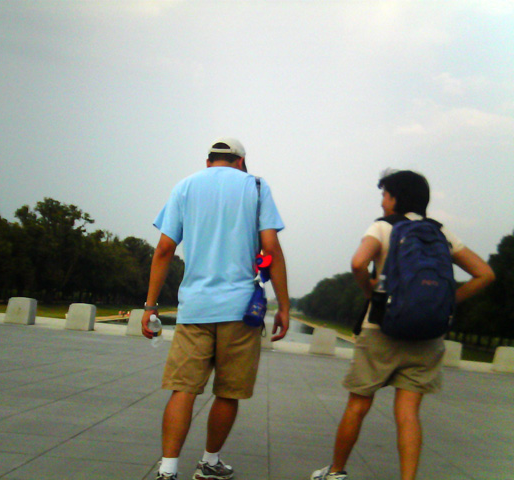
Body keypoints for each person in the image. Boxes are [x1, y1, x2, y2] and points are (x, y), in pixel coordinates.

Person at [311, 170, 495, 480]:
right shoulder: (441, 232)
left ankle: (336, 472)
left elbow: (358, 263)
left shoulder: (383, 227)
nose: (382, 202)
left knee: (358, 405)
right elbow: (485, 273)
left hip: (380, 330)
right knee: (408, 414)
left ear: (395, 198)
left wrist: (372, 293)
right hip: (427, 336)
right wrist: (448, 302)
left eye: (385, 195)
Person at [142, 137, 290, 480]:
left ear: (209, 161)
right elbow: (271, 247)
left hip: (195, 308)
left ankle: (167, 470)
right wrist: (283, 305)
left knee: (184, 389)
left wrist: (150, 305)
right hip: (241, 309)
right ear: (240, 161)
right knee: (228, 391)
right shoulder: (255, 186)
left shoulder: (185, 186)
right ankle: (209, 463)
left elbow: (164, 249)